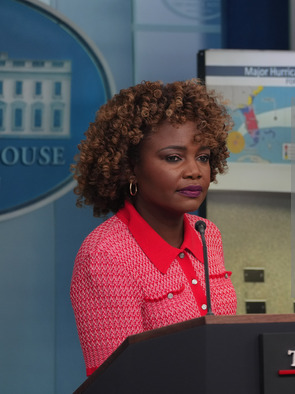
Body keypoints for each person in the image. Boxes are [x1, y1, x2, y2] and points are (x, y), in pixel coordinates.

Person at [70, 80, 237, 376]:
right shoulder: (106, 256)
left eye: (203, 157)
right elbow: (117, 382)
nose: (194, 171)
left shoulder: (207, 233)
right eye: (173, 158)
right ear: (130, 167)